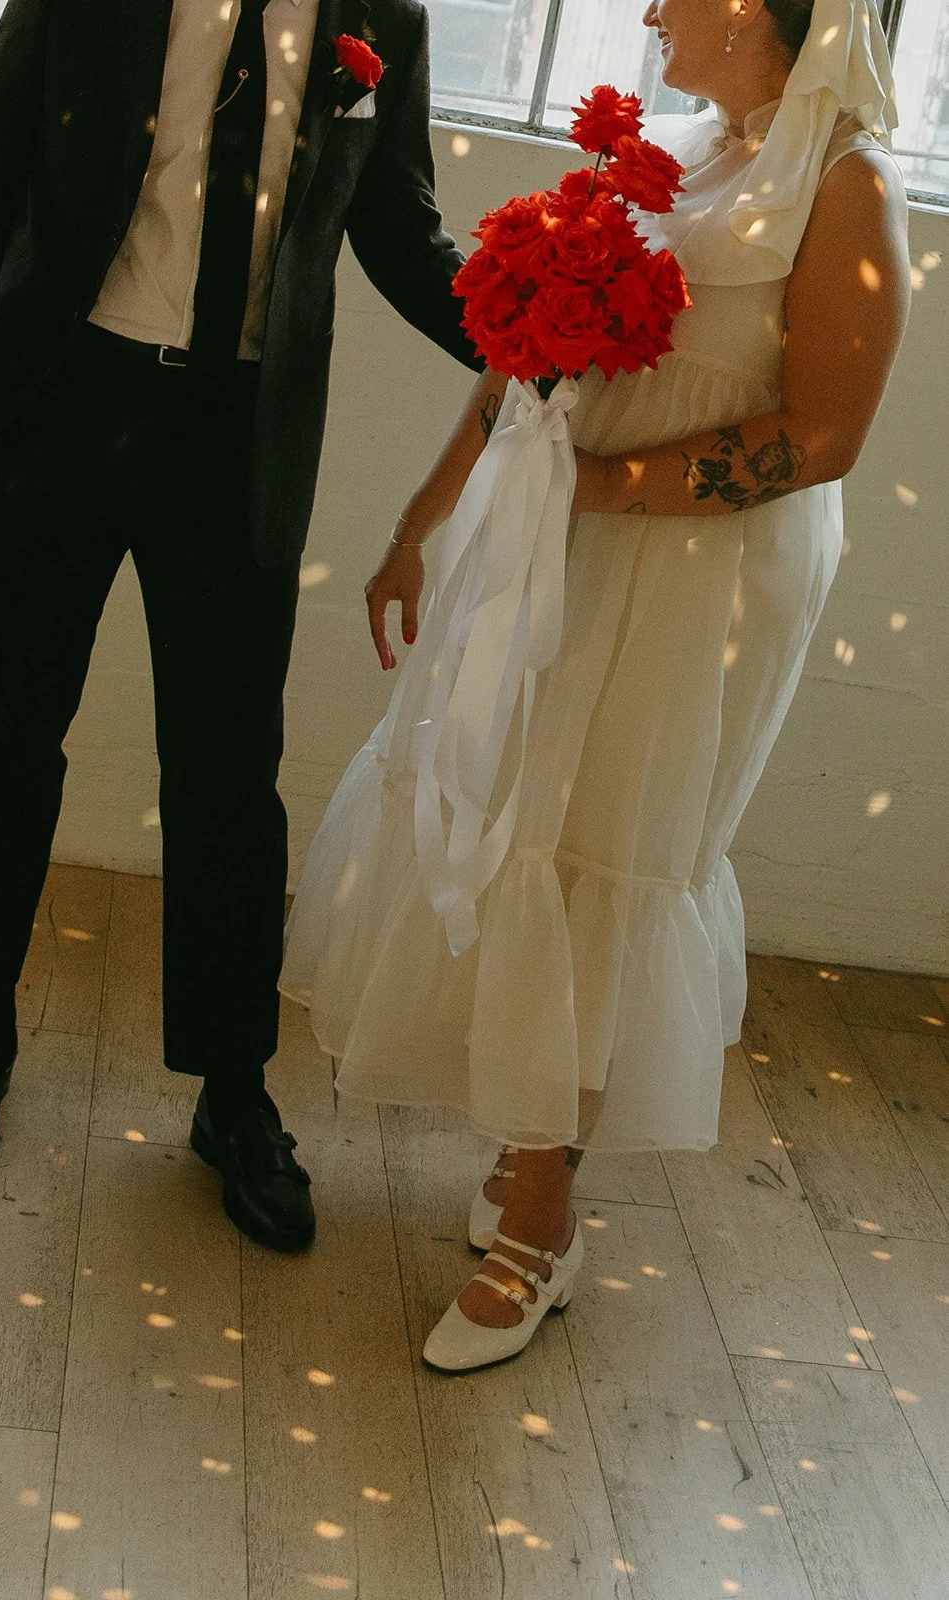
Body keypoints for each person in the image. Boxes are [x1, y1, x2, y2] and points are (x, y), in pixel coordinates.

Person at [282, 0, 911, 1367]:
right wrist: (416, 526)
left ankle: (539, 1228)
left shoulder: (848, 188)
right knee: (502, 806)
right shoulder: (675, 152)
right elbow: (526, 369)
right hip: (547, 546)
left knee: (600, 842)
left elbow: (820, 434)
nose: (645, 12)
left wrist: (615, 487)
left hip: (697, 582)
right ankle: (526, 1148)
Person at [0, 0, 481, 1253]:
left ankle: (233, 1091)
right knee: (13, 724)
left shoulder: (382, 14)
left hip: (238, 432)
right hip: (56, 394)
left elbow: (397, 220)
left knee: (228, 771)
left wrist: (525, 334)